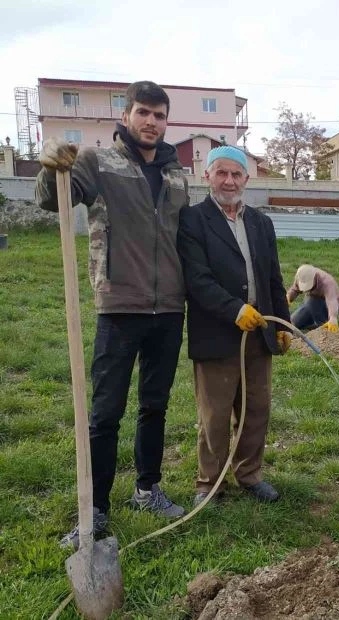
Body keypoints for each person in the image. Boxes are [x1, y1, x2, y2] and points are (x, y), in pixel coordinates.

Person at [37, 81, 189, 549]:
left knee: (155, 405)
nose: (152, 122)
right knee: (105, 413)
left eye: (160, 116)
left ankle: (147, 488)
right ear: (127, 117)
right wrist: (50, 168)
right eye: (144, 113)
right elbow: (51, 199)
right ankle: (96, 507)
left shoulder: (177, 173)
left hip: (169, 310)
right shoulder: (98, 162)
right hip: (119, 304)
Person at [177, 146, 292, 507]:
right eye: (221, 173)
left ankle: (249, 474)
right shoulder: (192, 220)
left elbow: (273, 278)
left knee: (256, 409)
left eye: (236, 174)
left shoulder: (261, 222)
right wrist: (233, 309)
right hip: (216, 331)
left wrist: (283, 324)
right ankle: (209, 483)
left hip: (259, 330)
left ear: (246, 179)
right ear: (206, 176)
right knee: (214, 415)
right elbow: (197, 280)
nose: (229, 180)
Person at [286, 264, 339, 332]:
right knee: (294, 322)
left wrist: (333, 317)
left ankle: (323, 327)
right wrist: (288, 297)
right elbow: (295, 290)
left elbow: (332, 300)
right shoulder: (301, 276)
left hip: (331, 307)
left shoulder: (326, 282)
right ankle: (313, 322)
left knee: (311, 300)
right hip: (311, 306)